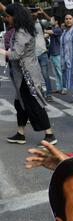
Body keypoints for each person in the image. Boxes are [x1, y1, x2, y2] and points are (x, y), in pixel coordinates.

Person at [0, 3, 57, 145]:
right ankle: (20, 133)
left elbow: (15, 55)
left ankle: (50, 135)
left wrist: (1, 51)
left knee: (34, 104)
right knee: (20, 104)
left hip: (27, 75)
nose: (6, 19)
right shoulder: (21, 29)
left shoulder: (22, 31)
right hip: (22, 74)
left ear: (15, 16)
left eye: (8, 16)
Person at [30, 7, 53, 102]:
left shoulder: (41, 22)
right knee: (35, 75)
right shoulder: (26, 23)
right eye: (32, 12)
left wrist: (43, 12)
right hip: (32, 54)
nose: (34, 14)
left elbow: (51, 22)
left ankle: (49, 94)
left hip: (42, 52)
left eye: (35, 11)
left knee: (45, 74)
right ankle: (39, 92)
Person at [44, 15, 66, 95]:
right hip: (53, 54)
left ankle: (64, 88)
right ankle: (58, 88)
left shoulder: (58, 30)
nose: (50, 21)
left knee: (60, 72)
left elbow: (47, 32)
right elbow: (45, 35)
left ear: (56, 21)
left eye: (52, 20)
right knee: (55, 73)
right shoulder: (53, 30)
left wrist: (42, 29)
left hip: (57, 54)